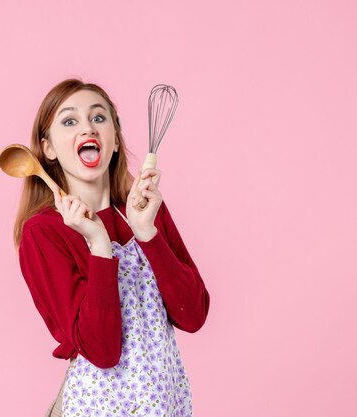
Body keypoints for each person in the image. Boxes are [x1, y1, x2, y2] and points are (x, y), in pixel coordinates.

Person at [14, 79, 210, 417]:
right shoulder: (43, 232)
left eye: (99, 118)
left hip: (164, 407)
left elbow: (193, 315)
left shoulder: (145, 209)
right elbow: (102, 351)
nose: (87, 128)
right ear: (48, 149)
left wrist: (147, 232)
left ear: (115, 141)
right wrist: (100, 245)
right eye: (70, 121)